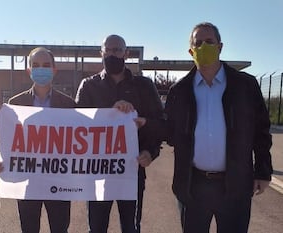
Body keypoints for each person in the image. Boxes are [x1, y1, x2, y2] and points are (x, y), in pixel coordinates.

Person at [163, 22, 273, 233]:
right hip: (192, 186)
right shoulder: (180, 90)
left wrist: (263, 171)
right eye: (198, 43)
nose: (204, 46)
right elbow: (168, 131)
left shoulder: (245, 86)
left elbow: (261, 131)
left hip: (235, 185)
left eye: (209, 42)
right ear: (190, 51)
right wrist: (142, 124)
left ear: (220, 47)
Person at [75, 34, 163, 233]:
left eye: (117, 50)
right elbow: (76, 125)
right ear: (101, 53)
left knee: (131, 228)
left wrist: (151, 152)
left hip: (132, 170)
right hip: (98, 171)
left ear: (126, 53)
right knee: (96, 227)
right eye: (108, 50)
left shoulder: (144, 86)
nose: (112, 54)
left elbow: (160, 124)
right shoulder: (88, 86)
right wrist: (110, 112)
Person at [0, 47, 74, 233]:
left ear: (54, 70)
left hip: (59, 181)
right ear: (29, 71)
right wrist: (1, 157)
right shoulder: (15, 104)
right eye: (36, 65)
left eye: (46, 65)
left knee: (60, 229)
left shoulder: (69, 104)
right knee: (29, 229)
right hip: (27, 180)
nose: (41, 69)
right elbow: (8, 141)